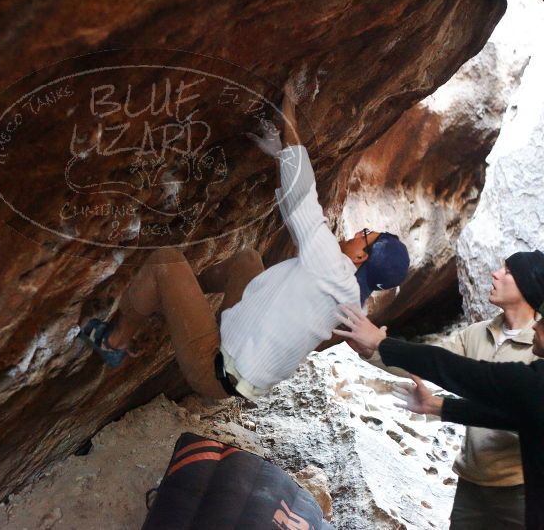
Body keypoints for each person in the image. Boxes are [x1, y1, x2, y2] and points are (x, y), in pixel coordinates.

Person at [78, 80, 410, 401]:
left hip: (215, 369)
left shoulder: (332, 267)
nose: (355, 235)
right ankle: (175, 297)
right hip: (244, 368)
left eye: (364, 236)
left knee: (165, 261)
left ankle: (114, 342)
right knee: (247, 260)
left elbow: (302, 194)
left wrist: (289, 105)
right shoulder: (354, 302)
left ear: (361, 258)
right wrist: (278, 155)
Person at [333, 249, 544, 530]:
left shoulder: (537, 354)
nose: (495, 273)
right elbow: (431, 362)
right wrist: (372, 351)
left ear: (526, 286)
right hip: (470, 483)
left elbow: (457, 372)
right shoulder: (478, 333)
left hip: (519, 489)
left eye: (506, 270)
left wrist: (383, 344)